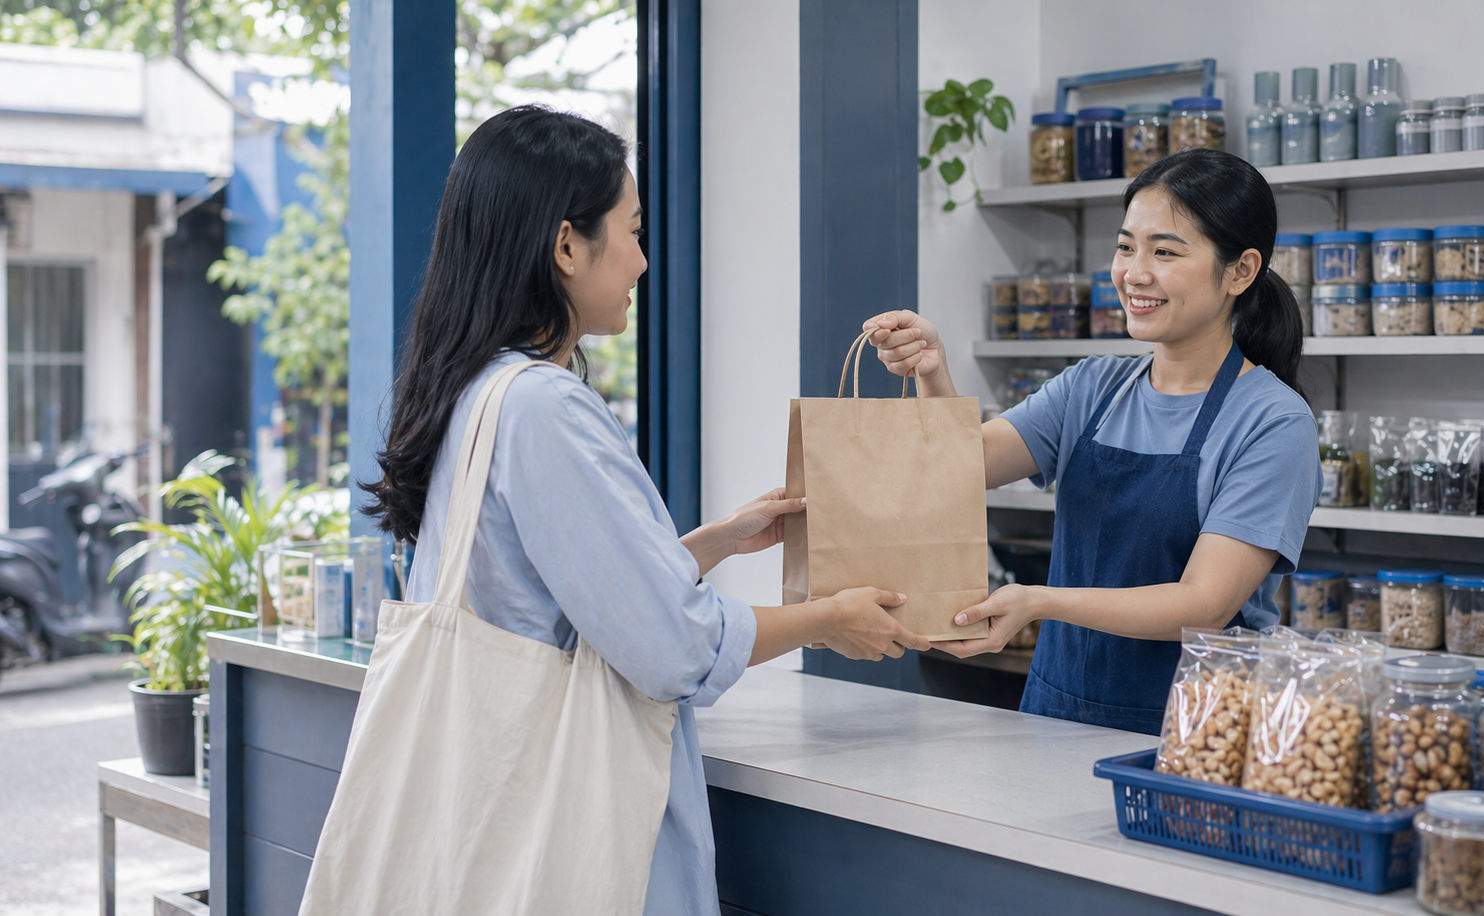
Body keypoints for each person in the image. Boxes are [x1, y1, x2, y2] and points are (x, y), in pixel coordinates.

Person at [361, 105, 930, 915]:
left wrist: (707, 545)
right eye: (630, 231)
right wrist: (828, 618)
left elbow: (543, 588)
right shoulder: (545, 409)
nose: (642, 260)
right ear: (566, 245)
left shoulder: (475, 391)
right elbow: (672, 648)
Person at [864, 148, 1320, 736]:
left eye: (1165, 251)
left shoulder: (1273, 423)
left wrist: (1041, 602)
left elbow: (1204, 603)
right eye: (1127, 246)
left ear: (1241, 270)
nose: (1134, 273)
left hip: (1193, 735)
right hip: (1057, 710)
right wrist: (932, 368)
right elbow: (960, 467)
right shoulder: (1094, 386)